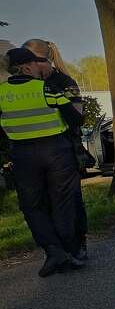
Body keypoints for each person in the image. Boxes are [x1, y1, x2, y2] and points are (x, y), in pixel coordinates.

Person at [0, 48, 86, 276]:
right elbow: (76, 118)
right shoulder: (47, 88)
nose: (40, 67)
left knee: (31, 205)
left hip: (22, 155)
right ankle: (68, 252)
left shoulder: (0, 93)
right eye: (36, 64)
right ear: (27, 67)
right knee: (63, 203)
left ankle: (52, 250)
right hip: (56, 151)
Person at [24, 38, 91, 259]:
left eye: (30, 60)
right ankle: (56, 250)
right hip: (34, 152)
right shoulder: (25, 85)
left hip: (64, 148)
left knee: (70, 200)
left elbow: (77, 116)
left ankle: (77, 244)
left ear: (43, 60)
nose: (25, 66)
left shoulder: (64, 82)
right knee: (43, 202)